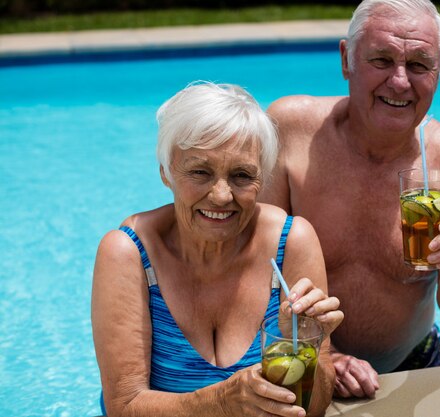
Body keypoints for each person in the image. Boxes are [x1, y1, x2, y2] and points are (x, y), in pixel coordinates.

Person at [259, 0, 440, 399]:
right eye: (381, 60)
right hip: (302, 356)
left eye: (419, 65)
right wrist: (327, 355)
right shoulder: (291, 129)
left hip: (414, 360)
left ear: (439, 72)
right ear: (347, 59)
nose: (400, 82)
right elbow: (249, 269)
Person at [91, 81, 343, 417]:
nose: (222, 196)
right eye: (200, 172)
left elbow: (314, 408)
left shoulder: (292, 241)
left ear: (262, 179)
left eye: (242, 175)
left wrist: (305, 341)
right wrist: (220, 402)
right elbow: (124, 406)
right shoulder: (129, 253)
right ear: (166, 172)